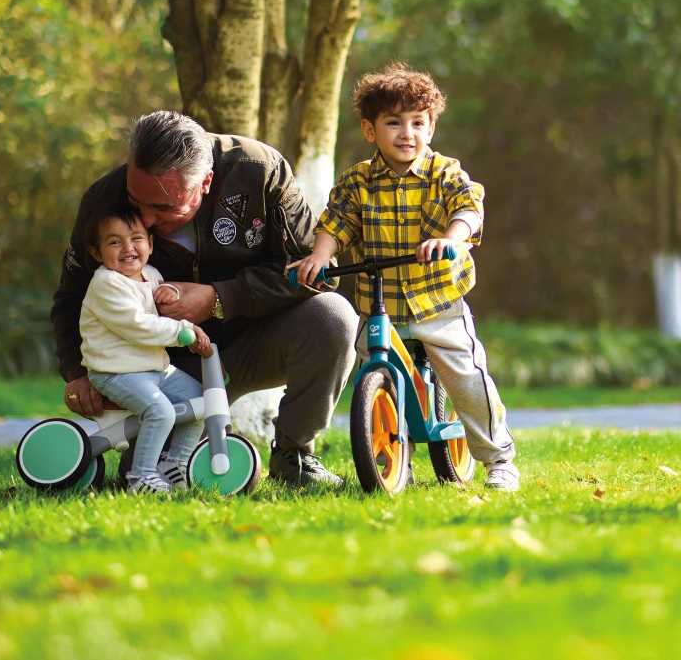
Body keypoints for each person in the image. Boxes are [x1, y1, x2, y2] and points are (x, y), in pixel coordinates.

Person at [52, 111, 357, 489]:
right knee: (156, 471)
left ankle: (295, 454)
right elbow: (71, 296)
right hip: (166, 366)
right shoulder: (103, 201)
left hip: (259, 340)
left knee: (334, 316)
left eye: (164, 209)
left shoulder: (260, 171)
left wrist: (220, 297)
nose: (144, 220)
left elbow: (316, 271)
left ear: (206, 182)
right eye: (136, 202)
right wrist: (76, 371)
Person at [287, 63, 519, 491]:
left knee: (466, 376)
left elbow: (469, 206)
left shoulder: (443, 173)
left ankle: (498, 458)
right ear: (370, 129)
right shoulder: (358, 181)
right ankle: (395, 461)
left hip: (437, 302)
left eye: (418, 123)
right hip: (381, 306)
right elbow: (336, 223)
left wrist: (452, 238)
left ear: (431, 129)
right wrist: (320, 256)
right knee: (372, 371)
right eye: (393, 123)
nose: (406, 133)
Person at [79, 199, 213, 494]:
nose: (128, 248)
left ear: (150, 244)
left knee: (200, 401)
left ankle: (174, 464)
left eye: (136, 238)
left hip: (154, 369)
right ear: (96, 252)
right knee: (161, 412)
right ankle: (140, 478)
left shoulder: (151, 274)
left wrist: (171, 291)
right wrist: (183, 331)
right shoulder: (106, 284)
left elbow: (157, 298)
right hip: (115, 372)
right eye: (114, 242)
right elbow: (138, 325)